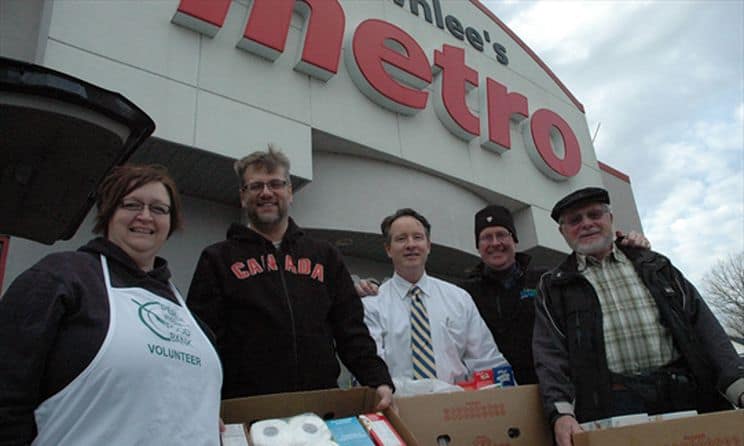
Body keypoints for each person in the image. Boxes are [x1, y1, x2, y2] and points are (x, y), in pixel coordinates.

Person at [0, 165, 222, 445]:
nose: (145, 216)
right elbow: (7, 396)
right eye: (131, 204)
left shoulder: (188, 315)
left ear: (170, 222)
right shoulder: (61, 277)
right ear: (107, 213)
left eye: (159, 209)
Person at [533, 187, 744, 446]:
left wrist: (738, 384)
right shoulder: (553, 286)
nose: (586, 224)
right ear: (563, 231)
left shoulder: (656, 265)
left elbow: (706, 328)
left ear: (610, 219)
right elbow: (550, 354)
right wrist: (561, 413)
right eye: (575, 220)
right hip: (614, 406)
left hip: (684, 395)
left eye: (594, 214)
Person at [187, 145, 394, 409]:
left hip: (321, 408)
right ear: (242, 196)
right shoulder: (217, 259)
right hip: (246, 410)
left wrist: (378, 380)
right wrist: (203, 403)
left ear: (289, 192)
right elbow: (203, 342)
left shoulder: (324, 256)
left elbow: (350, 331)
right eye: (255, 186)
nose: (266, 193)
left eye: (275, 184)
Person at [459, 205, 652, 385]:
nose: (495, 243)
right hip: (495, 389)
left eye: (502, 234)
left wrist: (627, 250)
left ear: (514, 240)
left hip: (553, 384)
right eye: (486, 237)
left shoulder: (547, 279)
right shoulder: (464, 294)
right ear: (478, 245)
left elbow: (595, 272)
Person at [363, 208, 510, 385]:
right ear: (388, 249)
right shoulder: (372, 305)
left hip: (458, 406)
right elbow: (371, 366)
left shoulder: (459, 298)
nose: (411, 245)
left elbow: (486, 360)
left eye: (417, 237)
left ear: (428, 245)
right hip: (398, 408)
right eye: (401, 239)